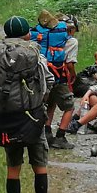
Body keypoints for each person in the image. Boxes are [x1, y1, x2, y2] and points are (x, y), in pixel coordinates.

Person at [0, 15, 51, 193]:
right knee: (39, 165)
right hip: (32, 117)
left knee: (13, 166)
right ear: (26, 33)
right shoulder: (33, 53)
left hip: (6, 118)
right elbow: (48, 80)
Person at [31, 11, 78, 148]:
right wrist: (73, 75)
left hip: (43, 74)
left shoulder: (42, 37)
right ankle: (60, 137)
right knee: (69, 106)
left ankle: (47, 133)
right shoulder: (71, 41)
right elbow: (69, 63)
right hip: (58, 76)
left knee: (50, 103)